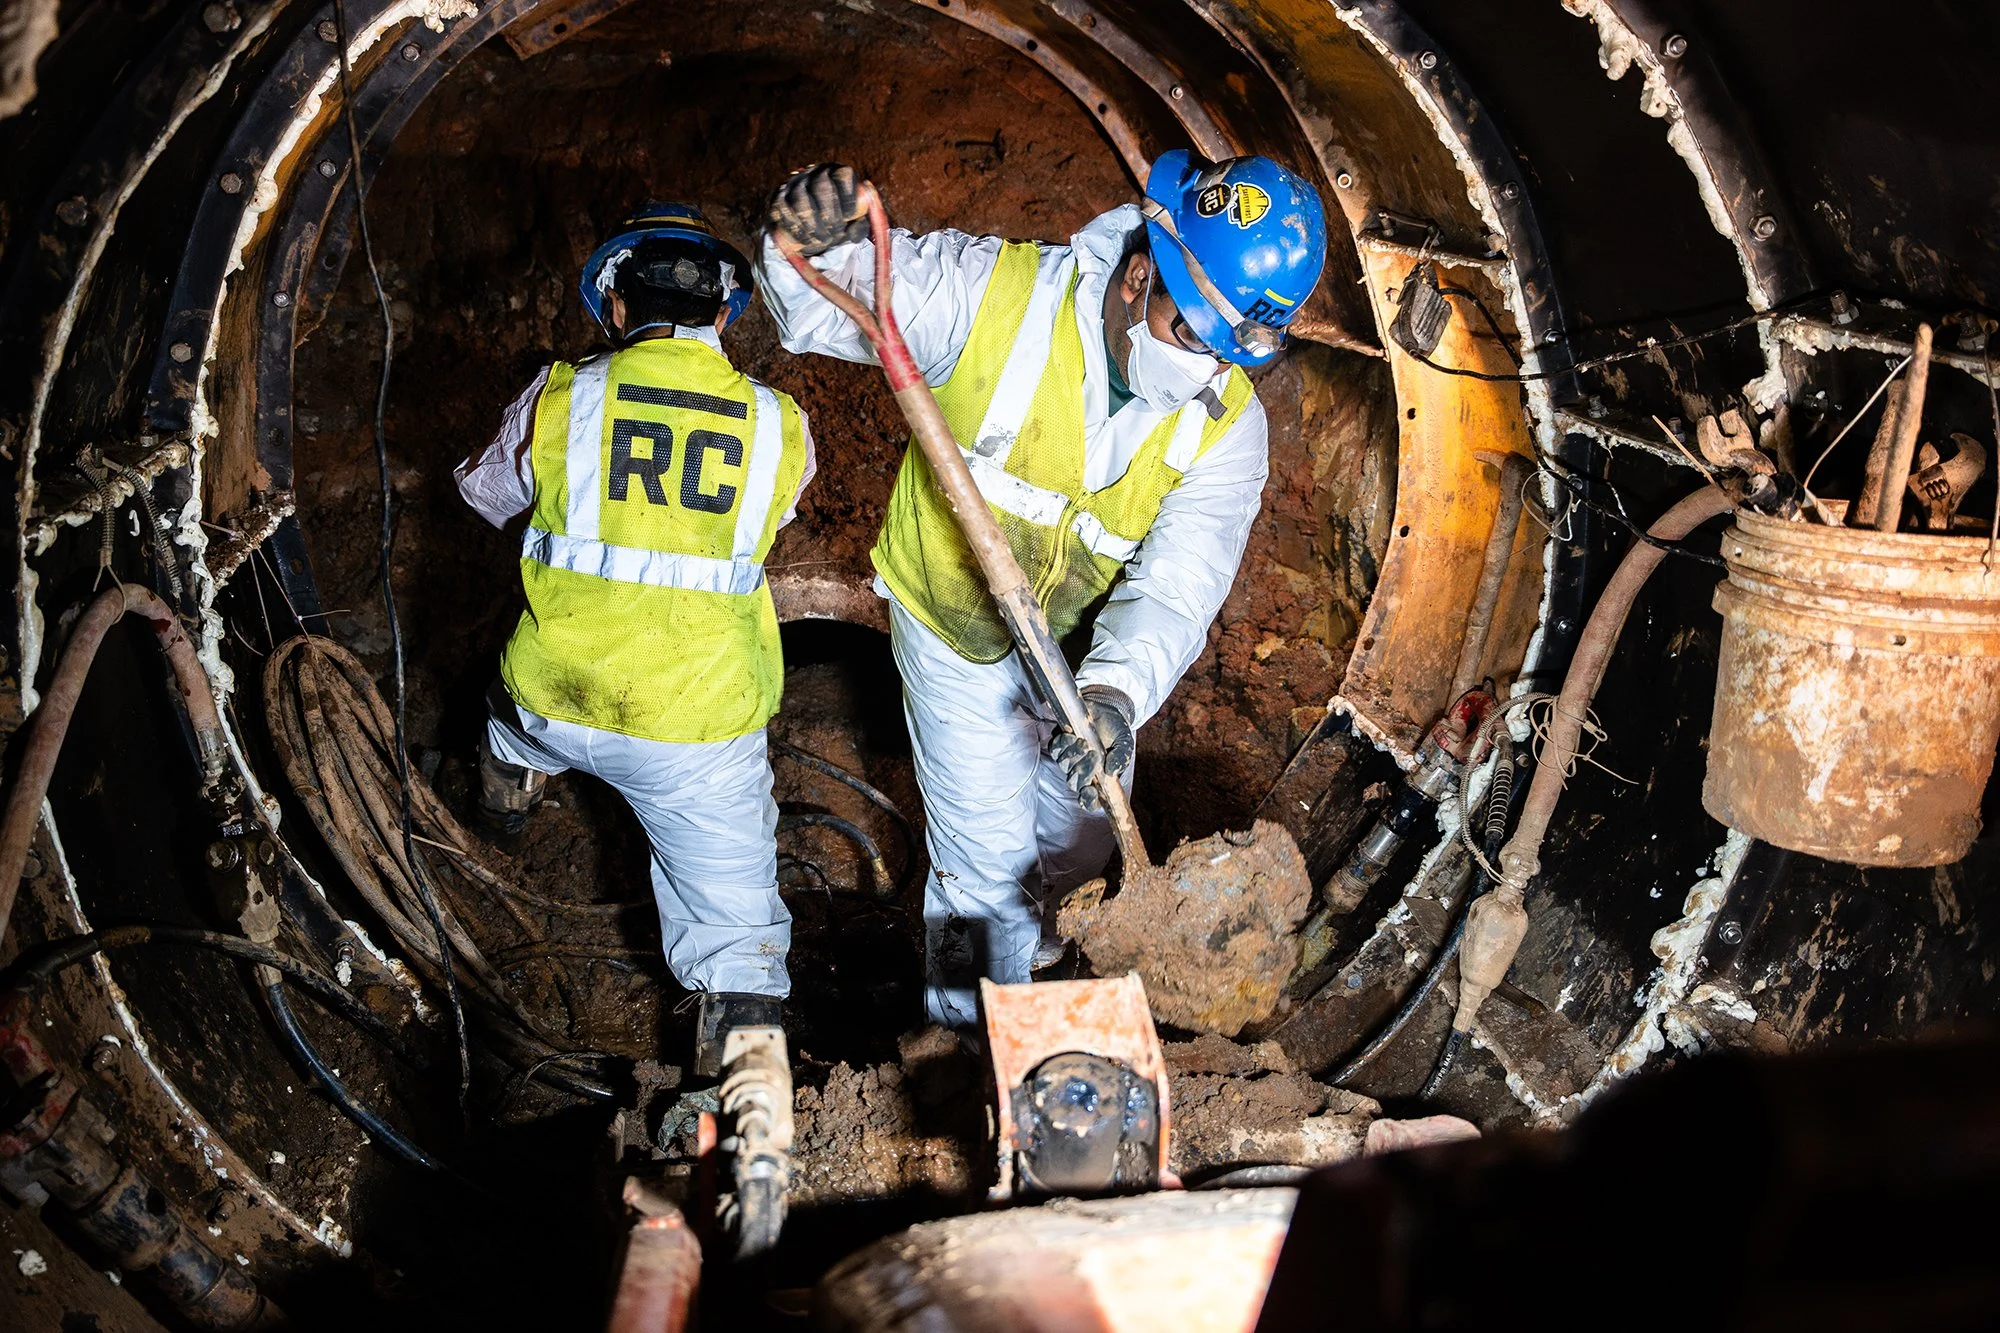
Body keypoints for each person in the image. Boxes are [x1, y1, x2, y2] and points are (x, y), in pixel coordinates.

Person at [760, 152, 1327, 1029]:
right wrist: (808, 239)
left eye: (1229, 355)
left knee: (1084, 825)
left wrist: (1114, 692)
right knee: (982, 857)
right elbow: (826, 299)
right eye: (1194, 336)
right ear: (1141, 276)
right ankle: (960, 1022)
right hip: (953, 623)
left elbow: (1181, 580)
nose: (1206, 371)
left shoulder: (1225, 421)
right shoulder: (996, 296)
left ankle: (1048, 939)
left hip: (1075, 641)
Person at [456, 202, 815, 1075]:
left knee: (508, 714)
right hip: (696, 733)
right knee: (740, 942)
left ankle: (501, 808)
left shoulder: (560, 396)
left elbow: (483, 495)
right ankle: (741, 1115)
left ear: (614, 308)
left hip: (556, 697)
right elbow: (776, 517)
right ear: (726, 315)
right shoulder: (780, 423)